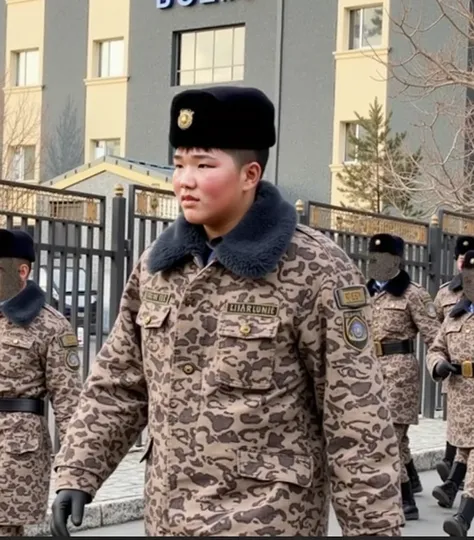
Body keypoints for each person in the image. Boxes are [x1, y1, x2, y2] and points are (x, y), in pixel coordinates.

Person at [50, 85, 403, 537]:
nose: (185, 181)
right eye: (178, 164)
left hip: (268, 521)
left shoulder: (315, 269)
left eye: (204, 165)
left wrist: (374, 531)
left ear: (249, 174)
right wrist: (78, 471)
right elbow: (119, 382)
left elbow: (356, 421)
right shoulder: (159, 267)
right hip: (167, 520)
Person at [0, 228, 82, 537]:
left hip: (14, 450)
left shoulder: (51, 325)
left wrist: (74, 474)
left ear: (21, 271)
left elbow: (69, 403)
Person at [366, 233, 440, 521]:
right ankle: (412, 478)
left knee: (390, 438)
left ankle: (406, 500)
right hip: (370, 372)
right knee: (397, 439)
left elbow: (435, 336)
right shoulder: (363, 292)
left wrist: (442, 365)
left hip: (400, 374)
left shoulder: (413, 294)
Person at [426, 249, 474, 537]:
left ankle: (463, 517)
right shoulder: (454, 315)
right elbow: (435, 347)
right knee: (466, 451)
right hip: (459, 398)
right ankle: (452, 487)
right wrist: (438, 364)